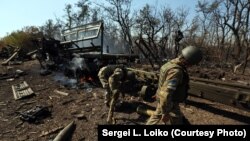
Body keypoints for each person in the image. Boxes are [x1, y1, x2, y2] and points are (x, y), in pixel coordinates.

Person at [146, 46, 202, 125]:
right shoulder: (176, 72)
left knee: (159, 116)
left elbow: (162, 82)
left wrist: (157, 93)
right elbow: (166, 93)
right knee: (163, 118)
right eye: (192, 64)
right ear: (189, 61)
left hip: (165, 100)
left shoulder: (170, 64)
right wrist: (165, 112)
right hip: (169, 102)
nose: (192, 66)